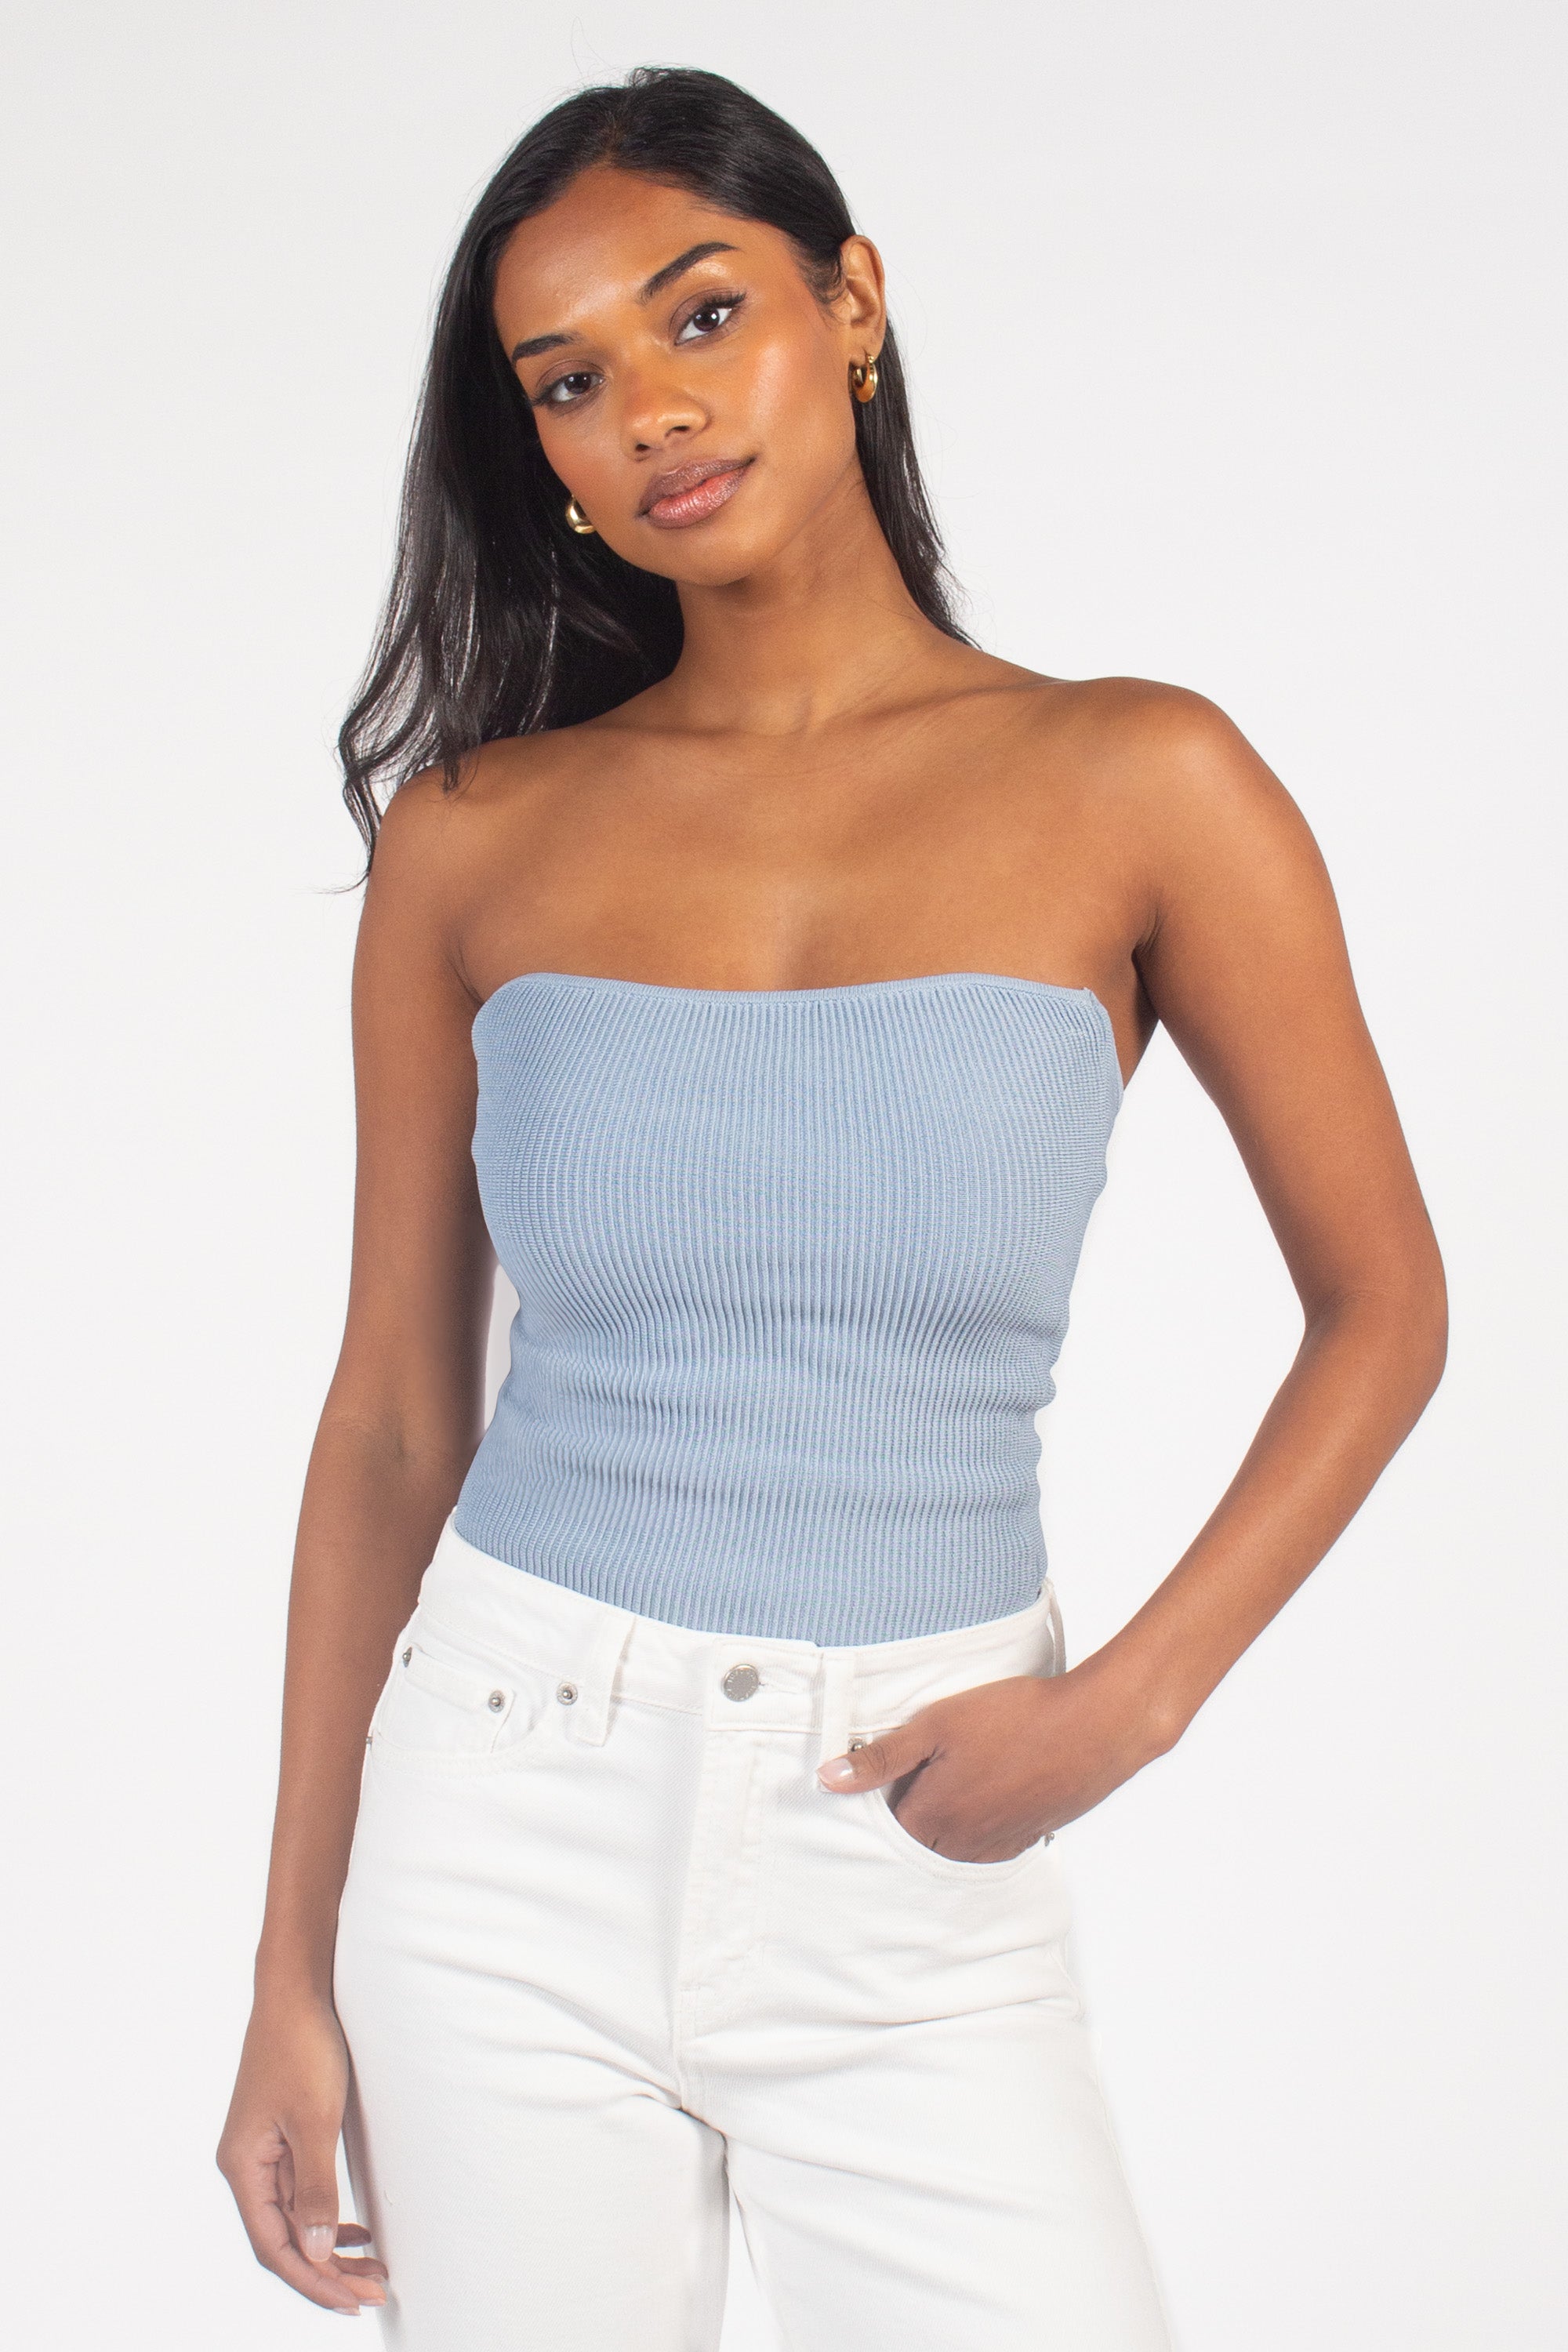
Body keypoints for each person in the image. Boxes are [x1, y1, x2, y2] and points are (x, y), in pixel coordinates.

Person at [217, 65, 1447, 2349]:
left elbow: (1385, 1307)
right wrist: (291, 1966)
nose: (653, 414)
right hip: (500, 1813)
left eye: (704, 316)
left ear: (852, 303)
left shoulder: (1142, 777)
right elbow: (392, 1416)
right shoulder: (474, 837)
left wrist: (1131, 1705)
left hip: (914, 1826)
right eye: (570, 381)